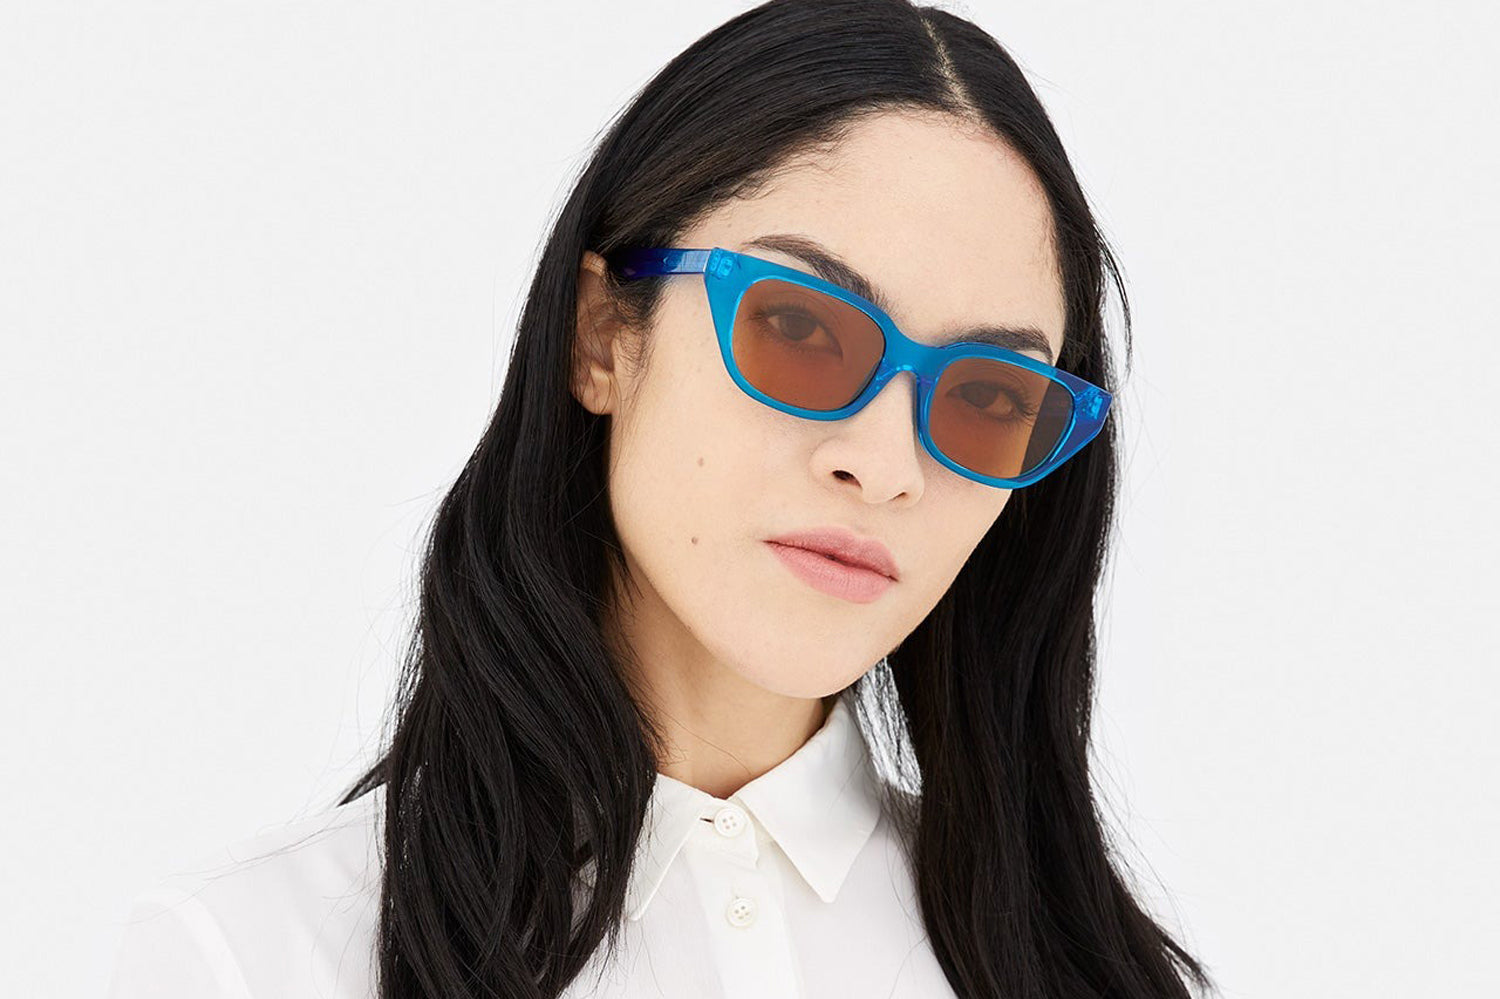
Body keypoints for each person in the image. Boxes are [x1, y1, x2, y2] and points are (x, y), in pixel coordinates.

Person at [106, 1, 1216, 996]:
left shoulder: (1087, 972)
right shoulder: (255, 961)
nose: (887, 464)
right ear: (601, 335)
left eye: (988, 395)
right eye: (799, 326)